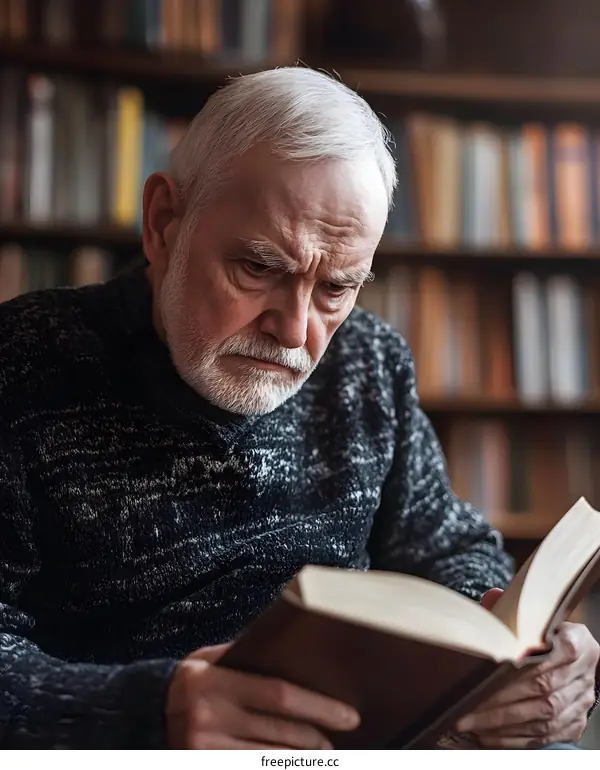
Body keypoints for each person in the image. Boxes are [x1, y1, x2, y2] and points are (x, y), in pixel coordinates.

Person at [0, 67, 597, 751]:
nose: (295, 331)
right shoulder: (22, 363)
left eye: (337, 287)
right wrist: (150, 710)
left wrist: (520, 655)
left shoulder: (367, 361)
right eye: (258, 269)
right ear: (165, 223)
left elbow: (452, 549)